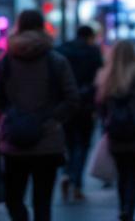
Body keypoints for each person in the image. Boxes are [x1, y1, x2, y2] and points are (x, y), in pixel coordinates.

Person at [0, 9, 79, 221]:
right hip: (48, 142)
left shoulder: (7, 60)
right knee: (43, 203)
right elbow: (72, 98)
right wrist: (53, 120)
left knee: (13, 198)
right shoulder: (56, 60)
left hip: (13, 141)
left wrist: (4, 119)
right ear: (42, 26)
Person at [97, 41, 135, 221]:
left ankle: (122, 206)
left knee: (121, 173)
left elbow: (100, 105)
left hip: (115, 133)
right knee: (134, 174)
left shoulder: (107, 76)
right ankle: (128, 210)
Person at [56, 23, 104, 202]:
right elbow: (98, 79)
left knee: (68, 143)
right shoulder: (93, 52)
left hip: (65, 105)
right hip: (86, 105)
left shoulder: (62, 50)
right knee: (83, 145)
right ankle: (76, 182)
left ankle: (66, 172)